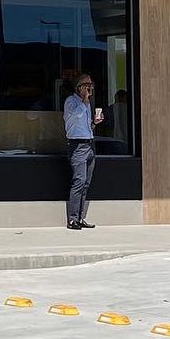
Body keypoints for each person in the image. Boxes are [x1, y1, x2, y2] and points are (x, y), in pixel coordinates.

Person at [63, 74, 101, 229]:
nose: (89, 87)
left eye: (90, 84)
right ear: (78, 87)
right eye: (86, 84)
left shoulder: (87, 104)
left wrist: (94, 123)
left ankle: (80, 217)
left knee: (86, 183)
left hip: (89, 144)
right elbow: (77, 114)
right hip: (77, 146)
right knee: (79, 181)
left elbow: (86, 127)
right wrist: (85, 100)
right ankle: (72, 219)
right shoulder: (71, 102)